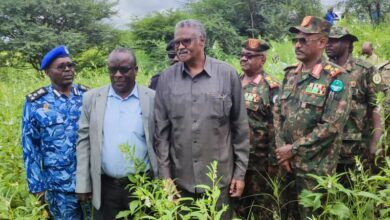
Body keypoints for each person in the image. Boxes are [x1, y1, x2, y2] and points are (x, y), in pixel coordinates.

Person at [154, 19, 250, 219]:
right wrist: (165, 177)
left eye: (186, 41)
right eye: (177, 42)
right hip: (181, 184)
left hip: (219, 183)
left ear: (202, 41)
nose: (180, 47)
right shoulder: (166, 79)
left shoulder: (227, 75)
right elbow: (161, 134)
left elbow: (240, 128)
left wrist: (239, 174)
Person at [273, 16, 352, 219]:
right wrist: (282, 150)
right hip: (287, 165)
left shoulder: (336, 77)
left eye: (304, 40)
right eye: (296, 40)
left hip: (315, 169)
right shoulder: (290, 74)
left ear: (322, 42)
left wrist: (293, 150)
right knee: (285, 214)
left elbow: (332, 125)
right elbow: (278, 114)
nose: (297, 45)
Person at [75, 48, 158, 219]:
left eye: (124, 69)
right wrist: (83, 184)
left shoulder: (152, 98)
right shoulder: (92, 98)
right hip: (106, 188)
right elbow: (83, 143)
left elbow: (162, 142)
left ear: (136, 70)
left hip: (142, 186)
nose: (118, 74)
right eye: (113, 70)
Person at [21, 45, 88, 219]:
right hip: (59, 188)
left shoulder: (88, 96)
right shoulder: (35, 103)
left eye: (70, 65)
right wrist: (37, 187)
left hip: (90, 182)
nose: (68, 70)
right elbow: (30, 148)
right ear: (47, 72)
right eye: (61, 67)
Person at [326, 26, 384, 184]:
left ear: (347, 43)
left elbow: (376, 107)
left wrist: (375, 143)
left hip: (355, 148)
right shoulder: (322, 71)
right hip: (325, 148)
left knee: (356, 192)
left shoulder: (364, 70)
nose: (328, 44)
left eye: (334, 41)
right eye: (326, 40)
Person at [235, 38, 279, 219]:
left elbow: (276, 126)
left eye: (250, 56)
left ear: (262, 60)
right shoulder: (234, 81)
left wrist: (273, 162)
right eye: (242, 55)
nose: (244, 59)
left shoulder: (270, 86)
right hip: (235, 160)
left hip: (259, 162)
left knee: (261, 208)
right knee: (238, 208)